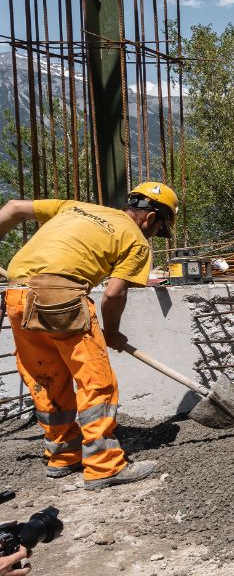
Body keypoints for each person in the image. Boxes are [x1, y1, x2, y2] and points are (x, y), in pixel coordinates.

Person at [0, 182, 179, 491]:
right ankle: (104, 465)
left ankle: (63, 454)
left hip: (17, 296)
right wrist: (113, 333)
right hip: (61, 298)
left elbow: (14, 207)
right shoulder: (136, 241)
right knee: (96, 381)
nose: (154, 235)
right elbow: (113, 293)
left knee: (47, 377)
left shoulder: (76, 207)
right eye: (159, 229)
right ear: (151, 218)